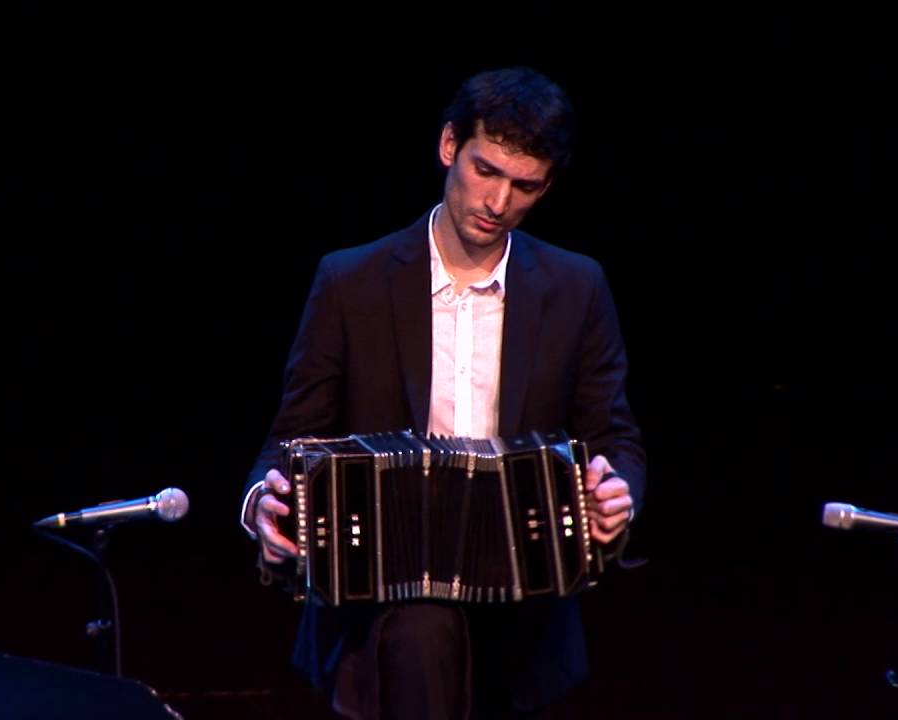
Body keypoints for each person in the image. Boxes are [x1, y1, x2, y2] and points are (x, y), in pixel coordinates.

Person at [240, 66, 645, 719]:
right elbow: (292, 438)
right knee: (422, 627)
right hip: (378, 600)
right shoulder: (352, 281)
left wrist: (615, 491)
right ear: (450, 146)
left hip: (523, 594)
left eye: (525, 186)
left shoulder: (577, 287)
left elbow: (613, 437)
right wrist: (265, 503)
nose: (498, 202)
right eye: (486, 171)